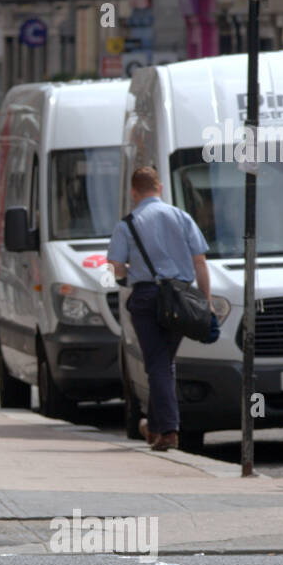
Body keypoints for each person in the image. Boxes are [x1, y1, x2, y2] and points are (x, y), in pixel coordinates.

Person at [106, 165, 211, 451]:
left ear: (133, 192)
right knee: (164, 363)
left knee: (157, 364)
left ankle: (168, 430)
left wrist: (129, 276)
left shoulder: (126, 224)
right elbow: (200, 262)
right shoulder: (181, 216)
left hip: (146, 297)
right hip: (179, 297)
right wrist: (206, 301)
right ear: (160, 187)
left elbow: (114, 268)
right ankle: (153, 427)